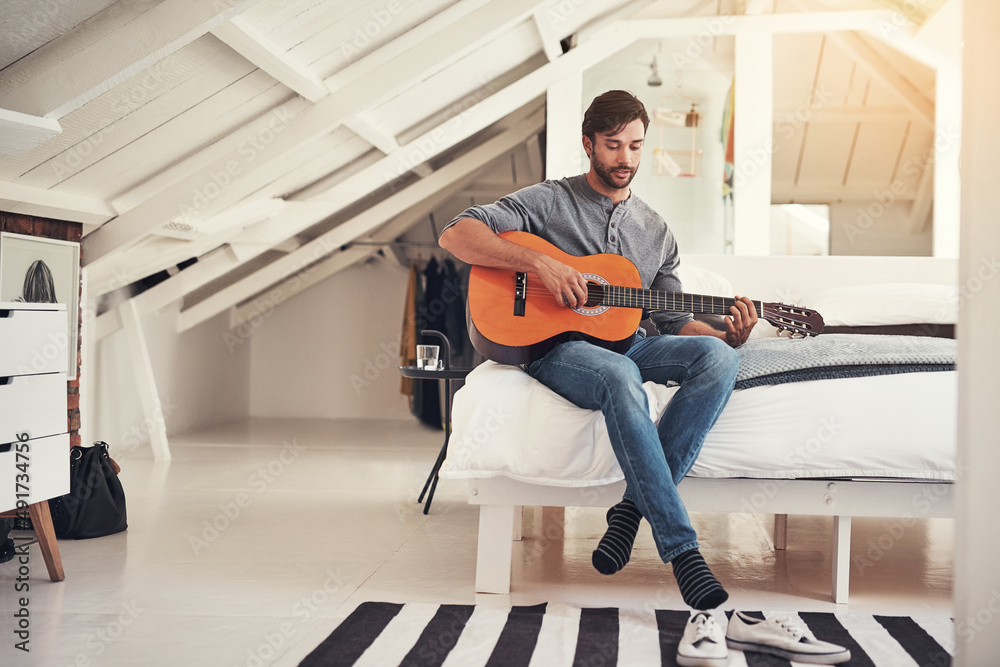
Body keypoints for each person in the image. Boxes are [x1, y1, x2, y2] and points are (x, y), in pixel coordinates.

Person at [438, 90, 757, 610]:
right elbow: (457, 234)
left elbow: (677, 319)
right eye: (613, 145)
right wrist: (537, 264)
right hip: (557, 349)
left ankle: (631, 510)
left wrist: (726, 335)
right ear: (588, 144)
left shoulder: (655, 232)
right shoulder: (548, 200)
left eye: (635, 146)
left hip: (629, 343)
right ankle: (683, 551)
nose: (625, 159)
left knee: (719, 361)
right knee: (616, 374)